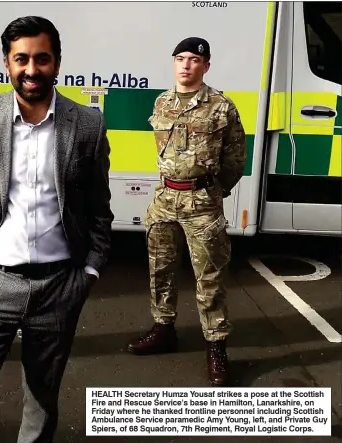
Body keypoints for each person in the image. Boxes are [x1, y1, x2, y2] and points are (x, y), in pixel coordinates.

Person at [0, 16, 113, 443]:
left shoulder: (87, 124)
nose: (32, 69)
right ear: (6, 63)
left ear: (57, 62)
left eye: (42, 59)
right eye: (22, 59)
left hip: (58, 287)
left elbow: (98, 209)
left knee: (41, 405)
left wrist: (88, 272)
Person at [126, 37, 246, 387]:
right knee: (160, 269)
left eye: (194, 59)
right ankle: (164, 328)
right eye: (180, 58)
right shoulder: (162, 101)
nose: (186, 65)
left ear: (205, 66)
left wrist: (212, 189)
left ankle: (216, 345)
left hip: (202, 203)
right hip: (164, 199)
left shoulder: (222, 106)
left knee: (209, 277)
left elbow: (235, 159)